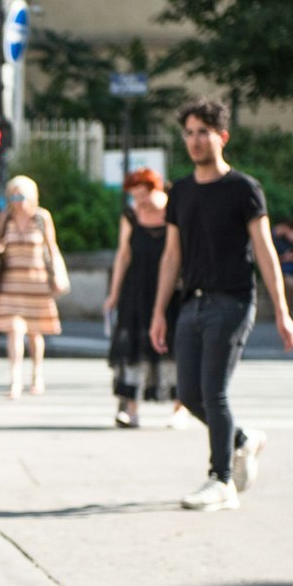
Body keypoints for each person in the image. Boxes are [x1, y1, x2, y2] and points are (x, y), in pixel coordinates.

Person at [150, 97, 293, 512]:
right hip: (191, 303)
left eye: (203, 132)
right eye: (190, 133)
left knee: (214, 392)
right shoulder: (179, 191)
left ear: (222, 137)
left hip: (232, 301)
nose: (195, 141)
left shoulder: (243, 189)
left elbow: (265, 251)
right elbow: (171, 256)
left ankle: (222, 481)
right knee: (190, 393)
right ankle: (243, 440)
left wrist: (282, 312)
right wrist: (159, 311)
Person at [103, 167, 178, 428]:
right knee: (132, 348)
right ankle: (130, 410)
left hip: (170, 291)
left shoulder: (173, 212)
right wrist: (113, 294)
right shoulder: (131, 215)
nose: (139, 201)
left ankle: (180, 408)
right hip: (136, 288)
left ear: (155, 189)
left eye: (142, 195)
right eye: (134, 196)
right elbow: (123, 254)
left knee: (174, 347)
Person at [0, 175, 69, 398]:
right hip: (11, 282)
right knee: (14, 330)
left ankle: (37, 374)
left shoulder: (42, 217)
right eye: (13, 195)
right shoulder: (7, 217)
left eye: (21, 195)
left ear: (31, 196)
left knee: (35, 333)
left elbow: (52, 247)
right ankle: (15, 380)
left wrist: (59, 274)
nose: (17, 200)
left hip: (36, 282)